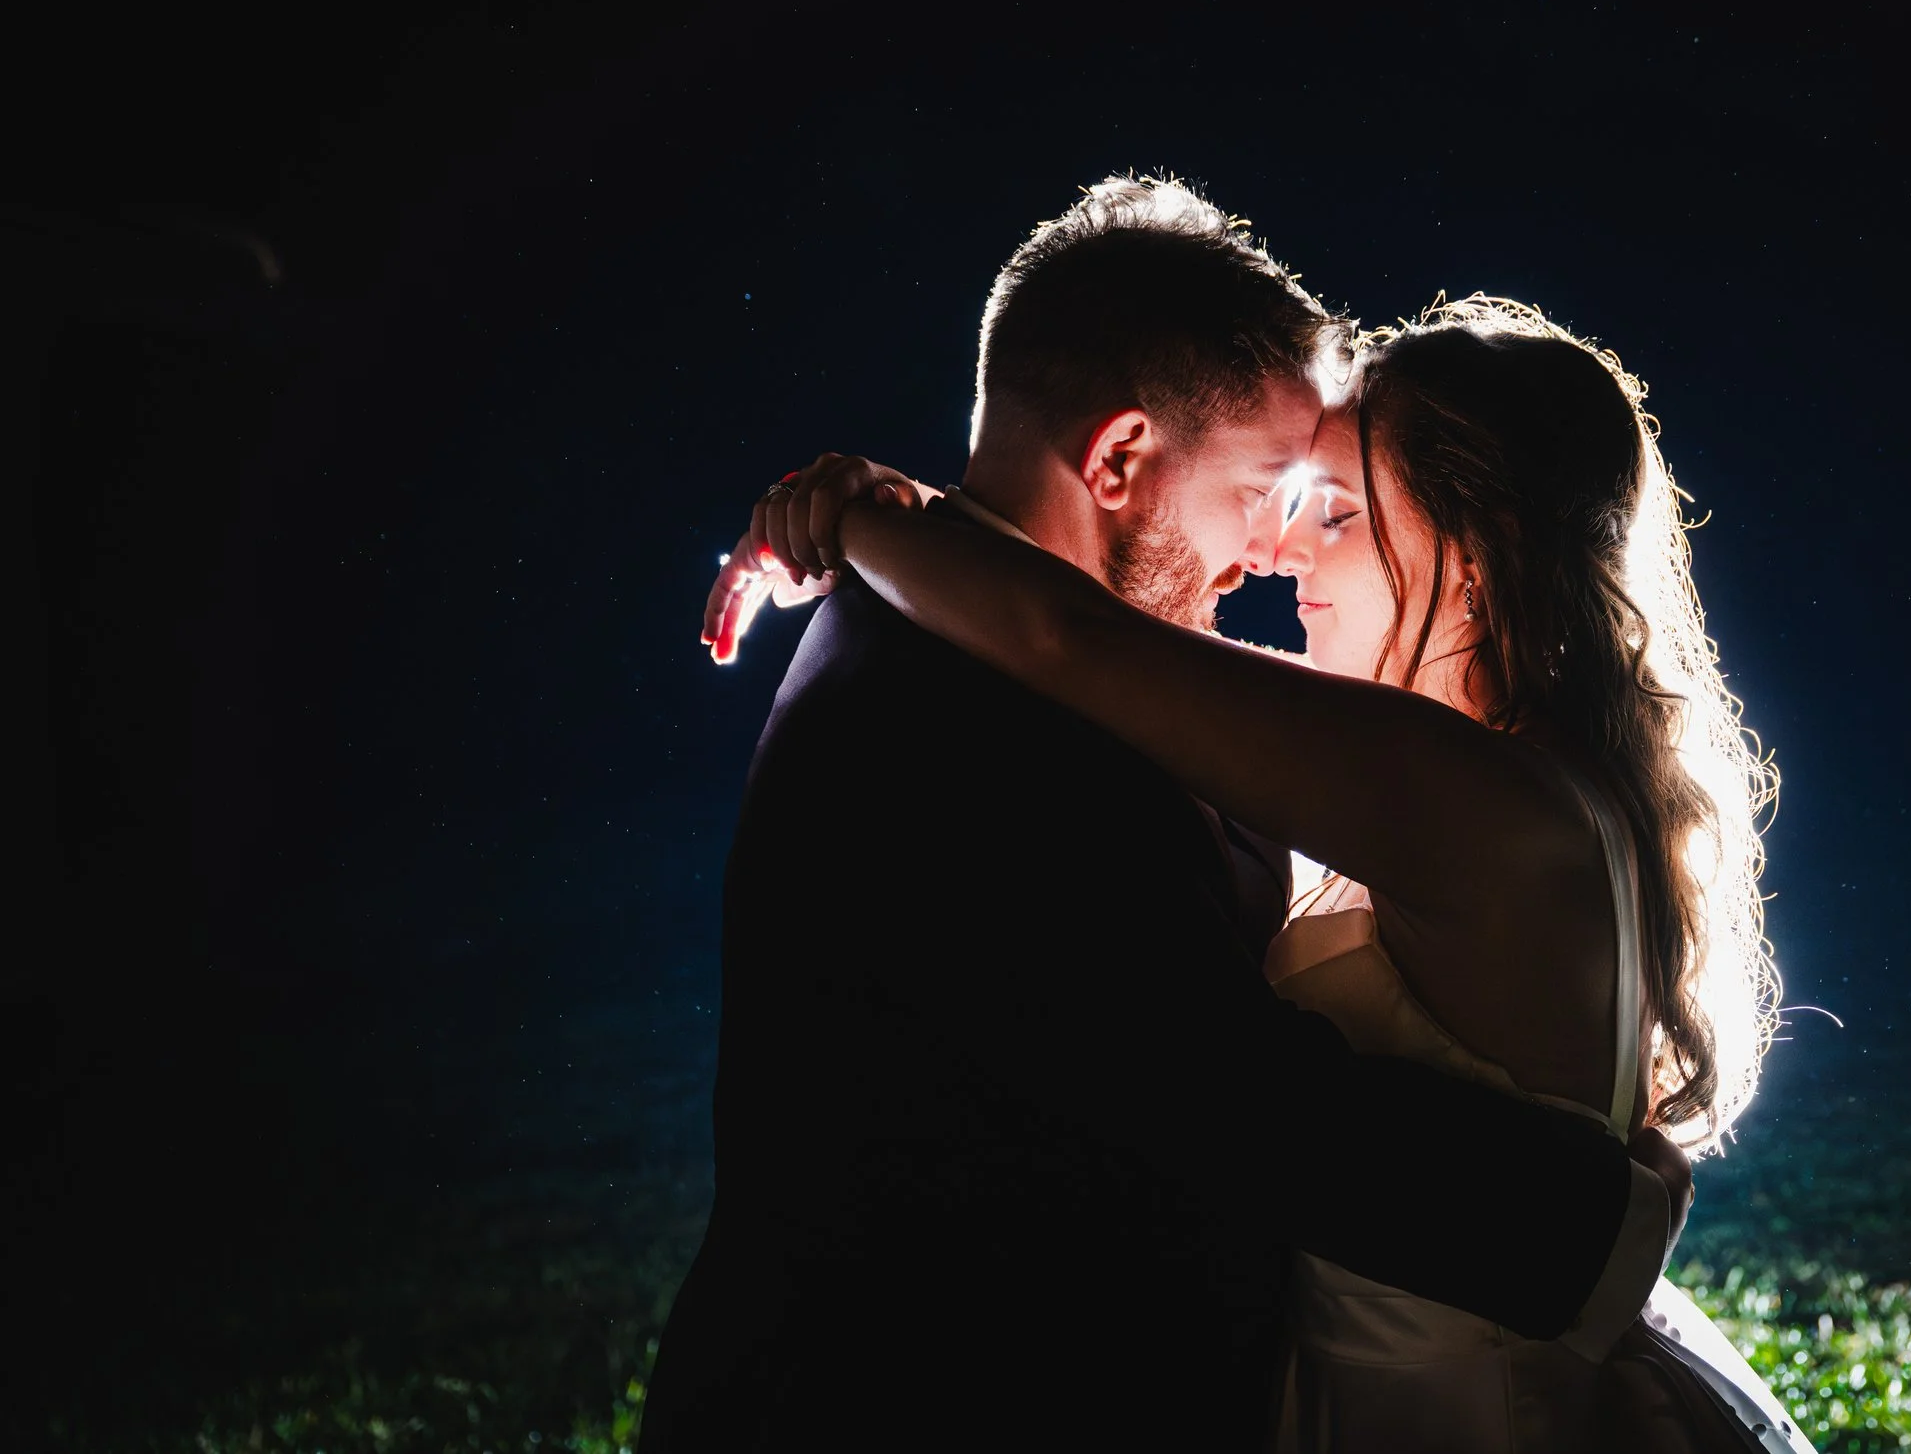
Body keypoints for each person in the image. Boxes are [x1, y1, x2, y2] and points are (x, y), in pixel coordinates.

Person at [640, 181, 1695, 1452]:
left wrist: (879, 514)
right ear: (1122, 457)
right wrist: (1585, 1224)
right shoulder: (959, 717)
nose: (1274, 548)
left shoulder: (1087, 669)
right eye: (1267, 486)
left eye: (1329, 505)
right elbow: (1227, 1100)